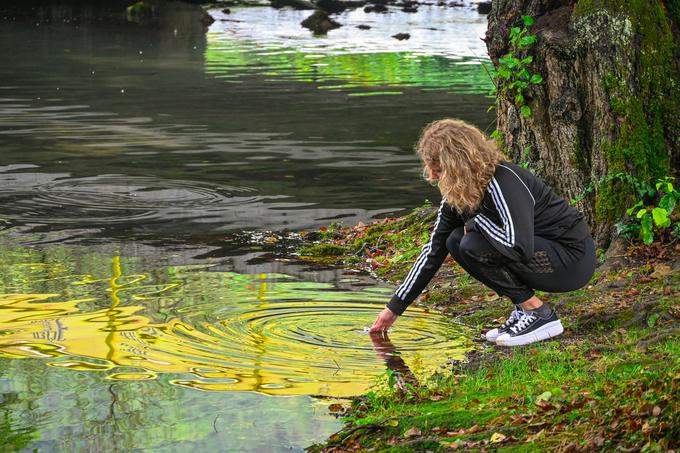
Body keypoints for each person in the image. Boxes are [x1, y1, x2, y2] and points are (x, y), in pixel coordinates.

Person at [369, 119, 595, 346]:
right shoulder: (461, 192)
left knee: (472, 243)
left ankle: (540, 315)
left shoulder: (504, 181)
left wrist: (478, 223)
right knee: (455, 240)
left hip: (571, 260)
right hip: (540, 255)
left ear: (457, 163)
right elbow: (433, 251)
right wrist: (394, 307)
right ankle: (525, 309)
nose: (432, 175)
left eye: (437, 168)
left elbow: (519, 246)